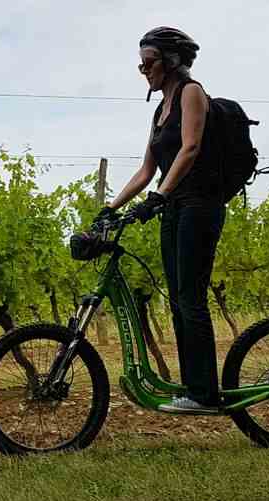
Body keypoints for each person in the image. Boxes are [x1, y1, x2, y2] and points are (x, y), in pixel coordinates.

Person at [96, 27, 225, 414]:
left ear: (170, 61)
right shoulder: (159, 110)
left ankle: (204, 394)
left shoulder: (192, 93)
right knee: (177, 300)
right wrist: (112, 207)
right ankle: (193, 387)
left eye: (147, 62)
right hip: (172, 207)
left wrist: (159, 196)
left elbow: (190, 148)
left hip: (199, 205)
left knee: (191, 298)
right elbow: (146, 168)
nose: (143, 70)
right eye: (140, 64)